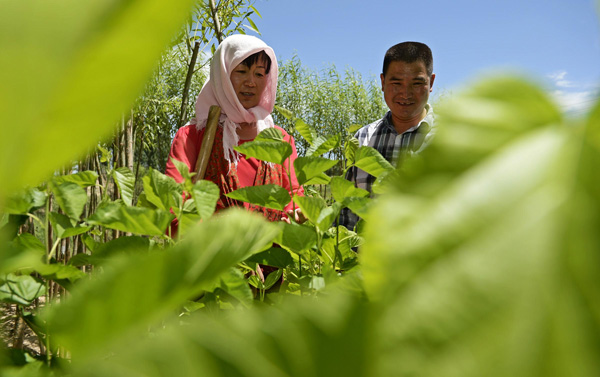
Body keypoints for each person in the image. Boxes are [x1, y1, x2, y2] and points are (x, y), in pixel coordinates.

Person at [165, 34, 304, 224]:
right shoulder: (193, 136)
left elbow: (294, 196)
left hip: (270, 251)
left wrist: (295, 214)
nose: (251, 82)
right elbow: (174, 210)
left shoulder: (279, 140)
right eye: (241, 71)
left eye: (259, 73)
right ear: (222, 75)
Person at [339, 41, 436, 231]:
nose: (405, 93)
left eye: (416, 83)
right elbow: (346, 216)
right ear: (383, 82)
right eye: (396, 83)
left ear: (431, 82)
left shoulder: (447, 139)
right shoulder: (363, 139)